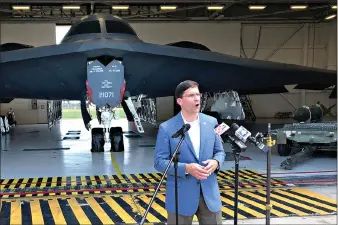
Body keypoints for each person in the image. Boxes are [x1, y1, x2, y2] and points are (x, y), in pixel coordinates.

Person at [154, 80, 225, 224]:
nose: (197, 98)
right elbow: (159, 162)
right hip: (180, 196)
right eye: (191, 95)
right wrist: (186, 168)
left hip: (209, 194)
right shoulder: (167, 128)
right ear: (180, 101)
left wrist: (216, 162)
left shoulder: (211, 122)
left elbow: (220, 152)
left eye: (198, 94)